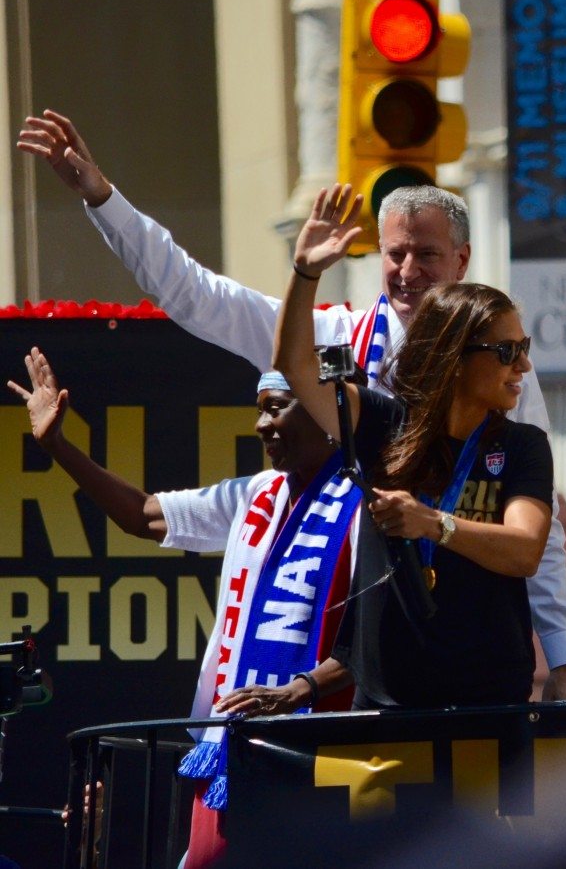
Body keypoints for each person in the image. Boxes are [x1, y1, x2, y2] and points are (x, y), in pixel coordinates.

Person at [16, 110, 566, 699]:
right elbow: (194, 295)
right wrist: (102, 199)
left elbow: (533, 524)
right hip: (335, 623)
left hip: (452, 635)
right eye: (395, 254)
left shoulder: (498, 366)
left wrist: (565, 657)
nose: (407, 272)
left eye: (427, 255)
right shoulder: (329, 337)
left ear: (462, 261)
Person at [7, 351, 358, 869]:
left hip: (324, 760)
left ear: (326, 413)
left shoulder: (368, 502)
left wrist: (297, 691)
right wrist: (58, 446)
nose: (261, 424)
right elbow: (143, 515)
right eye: (258, 409)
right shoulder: (256, 493)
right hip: (233, 751)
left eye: (277, 408)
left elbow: (381, 638)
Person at [272, 186, 553, 707]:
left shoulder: (522, 444)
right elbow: (295, 366)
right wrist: (306, 273)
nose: (523, 366)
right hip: (387, 708)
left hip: (488, 705)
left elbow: (526, 549)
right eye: (507, 351)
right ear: (455, 355)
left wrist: (433, 524)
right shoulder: (381, 423)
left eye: (524, 348)